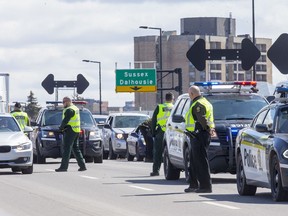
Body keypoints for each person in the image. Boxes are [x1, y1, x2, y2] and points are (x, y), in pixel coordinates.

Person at [184, 85, 215, 193]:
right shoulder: (205, 102)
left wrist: (208, 129)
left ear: (192, 94)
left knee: (201, 161)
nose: (189, 96)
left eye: (189, 95)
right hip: (196, 135)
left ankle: (205, 186)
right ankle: (193, 185)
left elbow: (202, 119)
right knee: (193, 161)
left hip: (199, 135)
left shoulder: (198, 104)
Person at [55, 97, 87, 172]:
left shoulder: (69, 110)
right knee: (76, 148)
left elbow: (65, 120)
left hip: (70, 130)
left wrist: (60, 128)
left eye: (64, 102)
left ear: (67, 102)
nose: (63, 104)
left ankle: (64, 167)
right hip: (76, 130)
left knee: (67, 148)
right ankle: (82, 166)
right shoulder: (75, 108)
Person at [150, 92, 174, 176]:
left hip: (161, 131)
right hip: (172, 132)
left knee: (158, 152)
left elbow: (153, 121)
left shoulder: (160, 107)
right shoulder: (175, 107)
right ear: (172, 99)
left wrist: (153, 132)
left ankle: (156, 170)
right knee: (172, 151)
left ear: (165, 98)